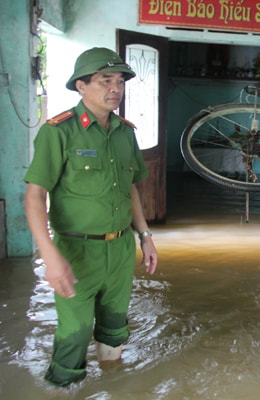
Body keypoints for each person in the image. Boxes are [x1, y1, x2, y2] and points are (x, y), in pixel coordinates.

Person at [24, 47, 158, 386]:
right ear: (81, 86)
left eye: (120, 81)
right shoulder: (58, 132)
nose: (115, 88)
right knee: (74, 337)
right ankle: (63, 389)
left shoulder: (126, 132)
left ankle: (114, 387)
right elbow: (35, 195)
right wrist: (50, 256)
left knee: (114, 331)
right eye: (105, 80)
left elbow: (130, 189)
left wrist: (145, 236)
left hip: (120, 249)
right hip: (76, 251)